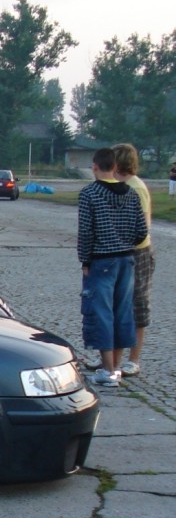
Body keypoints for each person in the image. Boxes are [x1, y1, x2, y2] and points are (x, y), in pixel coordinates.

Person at [78, 147, 148, 387]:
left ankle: (107, 371)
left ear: (95, 167)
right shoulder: (131, 193)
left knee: (101, 313)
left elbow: (86, 231)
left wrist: (85, 260)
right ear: (115, 167)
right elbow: (142, 231)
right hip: (127, 259)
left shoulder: (90, 194)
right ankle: (116, 367)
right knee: (122, 312)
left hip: (101, 260)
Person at [110, 143, 153, 377]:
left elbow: (143, 226)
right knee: (113, 304)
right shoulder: (115, 186)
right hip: (117, 252)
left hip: (137, 253)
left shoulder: (136, 188)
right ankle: (110, 357)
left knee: (137, 305)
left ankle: (133, 359)